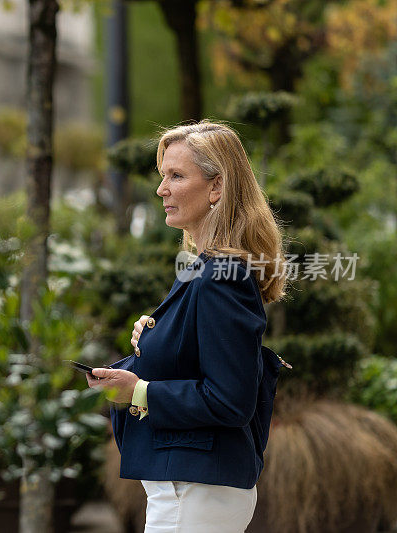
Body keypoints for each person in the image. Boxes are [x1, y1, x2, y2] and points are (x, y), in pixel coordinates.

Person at [86, 121, 288, 533]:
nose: (162, 189)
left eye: (176, 176)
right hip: (190, 489)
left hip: (195, 490)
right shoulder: (204, 271)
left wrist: (137, 390)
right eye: (163, 176)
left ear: (216, 188)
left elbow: (230, 399)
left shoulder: (222, 274)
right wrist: (154, 337)